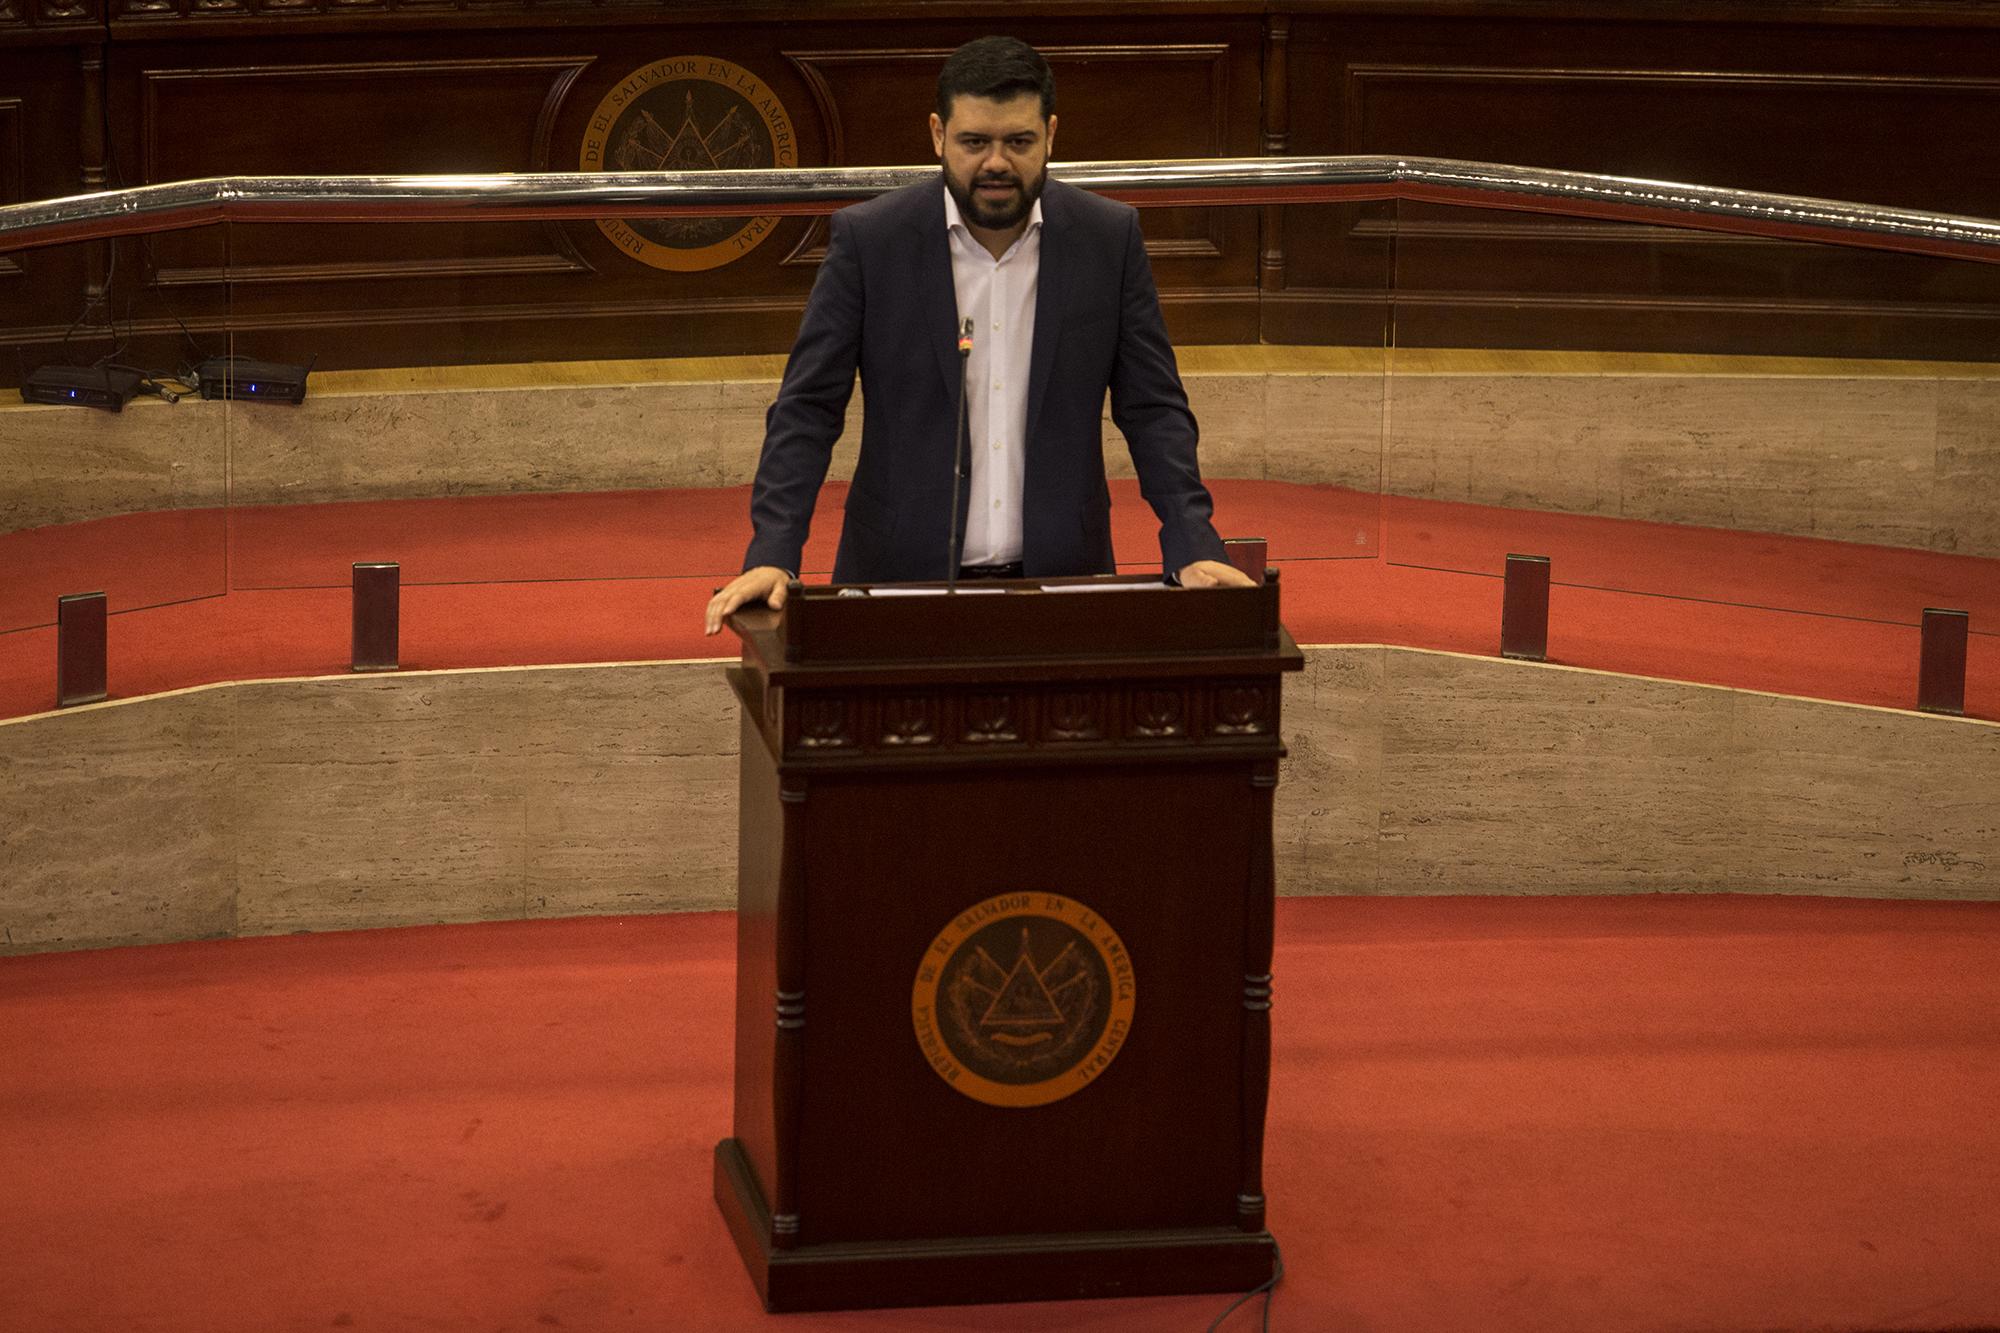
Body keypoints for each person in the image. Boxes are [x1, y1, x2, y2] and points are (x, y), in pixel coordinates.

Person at [703, 36, 1252, 635]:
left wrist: (1192, 539)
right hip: (896, 580)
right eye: (974, 142)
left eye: (1018, 142)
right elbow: (807, 411)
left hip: (1064, 580)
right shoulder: (872, 241)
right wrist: (773, 552)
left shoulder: (1106, 239)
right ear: (938, 135)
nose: (996, 162)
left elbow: (1154, 409)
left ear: (1051, 135)